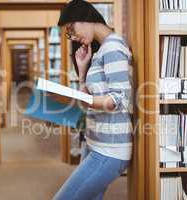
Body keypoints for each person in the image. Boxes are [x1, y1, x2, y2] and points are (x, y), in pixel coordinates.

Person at [53, 0, 133, 199]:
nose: (72, 37)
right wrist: (82, 70)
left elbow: (118, 99)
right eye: (68, 34)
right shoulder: (100, 51)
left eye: (71, 29)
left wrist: (82, 97)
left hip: (109, 149)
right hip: (94, 142)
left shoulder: (114, 46)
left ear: (85, 16)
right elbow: (89, 100)